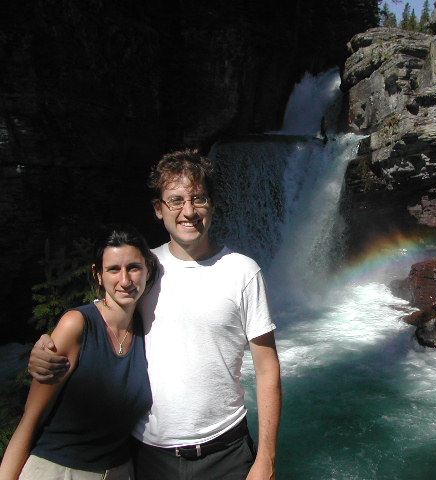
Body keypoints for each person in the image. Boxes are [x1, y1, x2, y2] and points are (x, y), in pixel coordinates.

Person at [28, 149, 282, 480]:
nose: (189, 211)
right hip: (148, 455)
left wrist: (267, 459)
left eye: (199, 199)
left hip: (227, 451)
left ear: (213, 205)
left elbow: (267, 369)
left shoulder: (243, 272)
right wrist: (45, 351)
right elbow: (98, 325)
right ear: (158, 210)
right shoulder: (142, 270)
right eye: (176, 201)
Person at [0, 225, 158, 480]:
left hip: (119, 471)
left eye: (134, 267)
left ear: (147, 270)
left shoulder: (147, 329)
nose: (125, 280)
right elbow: (31, 420)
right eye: (114, 269)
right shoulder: (77, 325)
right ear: (98, 275)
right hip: (58, 471)